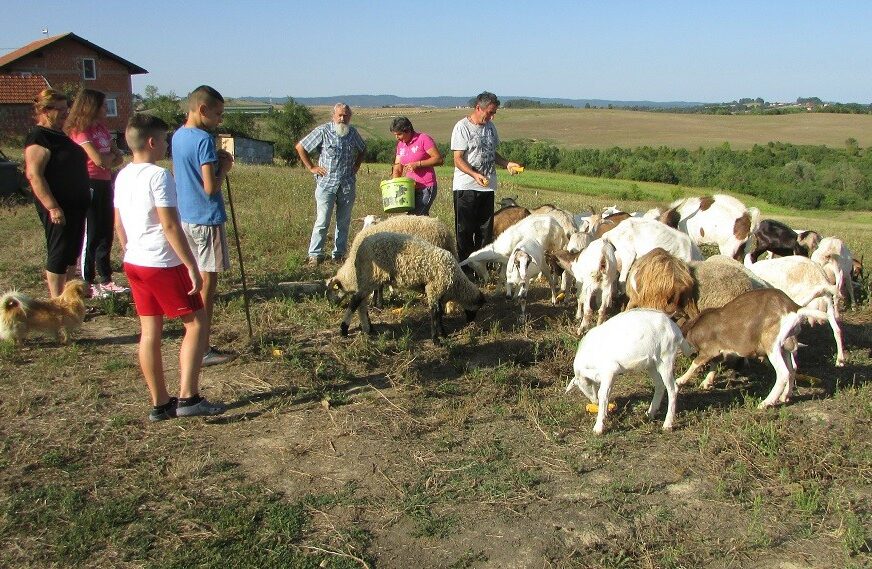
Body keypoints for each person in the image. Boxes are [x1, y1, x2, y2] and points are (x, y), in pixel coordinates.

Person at [114, 113, 226, 421]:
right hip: (161, 262)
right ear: (151, 142)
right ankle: (189, 397)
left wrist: (128, 249)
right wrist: (190, 264)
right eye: (164, 140)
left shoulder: (123, 175)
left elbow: (118, 223)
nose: (167, 145)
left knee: (149, 332)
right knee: (196, 324)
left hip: (135, 262)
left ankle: (161, 403)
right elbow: (170, 225)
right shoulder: (159, 176)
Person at [172, 85, 234, 367]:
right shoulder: (203, 140)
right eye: (217, 114)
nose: (219, 120)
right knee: (207, 284)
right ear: (203, 110)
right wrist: (224, 168)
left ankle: (193, 337)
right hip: (207, 218)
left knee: (194, 279)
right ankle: (203, 345)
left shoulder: (178, 136)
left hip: (186, 217)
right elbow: (210, 187)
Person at [24, 88, 92, 297]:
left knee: (72, 252)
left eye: (66, 108)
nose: (66, 112)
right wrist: (52, 206)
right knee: (59, 251)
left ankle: (68, 299)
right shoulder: (39, 137)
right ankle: (56, 300)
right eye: (60, 109)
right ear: (45, 110)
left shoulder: (60, 134)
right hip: (58, 206)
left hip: (76, 205)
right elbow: (34, 175)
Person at [65, 88, 127, 298]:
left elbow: (118, 156)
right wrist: (108, 157)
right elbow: (99, 160)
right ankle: (87, 282)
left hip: (105, 182)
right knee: (91, 233)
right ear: (91, 106)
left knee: (105, 231)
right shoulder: (80, 131)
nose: (105, 109)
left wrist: (108, 157)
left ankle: (106, 279)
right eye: (102, 105)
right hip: (88, 182)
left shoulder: (101, 128)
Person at [451, 91, 522, 262]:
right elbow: (458, 159)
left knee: (485, 231)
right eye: (490, 112)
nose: (492, 117)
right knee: (465, 230)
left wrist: (507, 164)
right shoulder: (462, 127)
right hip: (466, 187)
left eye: (494, 113)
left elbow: (492, 152)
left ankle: (483, 266)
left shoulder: (490, 127)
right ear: (478, 108)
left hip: (487, 186)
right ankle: (466, 268)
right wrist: (475, 175)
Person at [295, 103, 366, 266]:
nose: (342, 119)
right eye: (340, 115)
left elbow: (363, 149)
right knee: (322, 220)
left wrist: (356, 166)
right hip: (326, 184)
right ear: (333, 116)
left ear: (350, 117)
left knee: (344, 221)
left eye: (346, 116)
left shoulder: (352, 133)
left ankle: (339, 254)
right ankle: (315, 254)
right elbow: (300, 147)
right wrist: (312, 167)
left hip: (347, 184)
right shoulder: (323, 131)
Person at [390, 117, 444, 216]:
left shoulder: (423, 139)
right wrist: (395, 185)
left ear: (408, 130)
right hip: (409, 187)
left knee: (416, 216)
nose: (397, 138)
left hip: (426, 187)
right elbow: (398, 166)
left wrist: (418, 164)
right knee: (416, 218)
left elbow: (439, 159)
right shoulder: (400, 145)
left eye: (399, 134)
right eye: (395, 135)